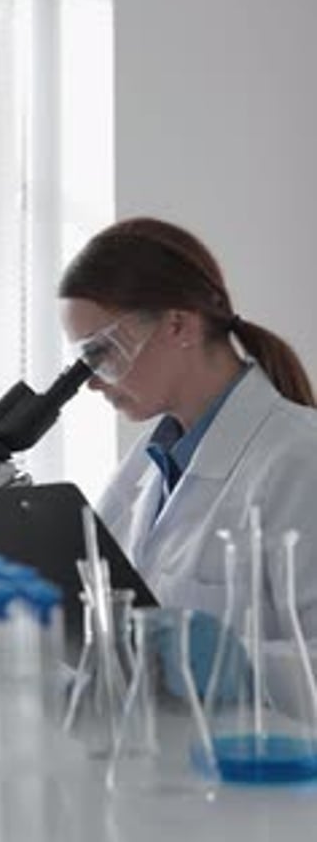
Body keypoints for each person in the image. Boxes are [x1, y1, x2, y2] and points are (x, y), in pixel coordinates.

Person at [58, 216, 317, 640]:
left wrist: (230, 667)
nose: (91, 381)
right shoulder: (145, 465)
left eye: (102, 351)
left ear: (179, 326)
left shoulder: (301, 459)